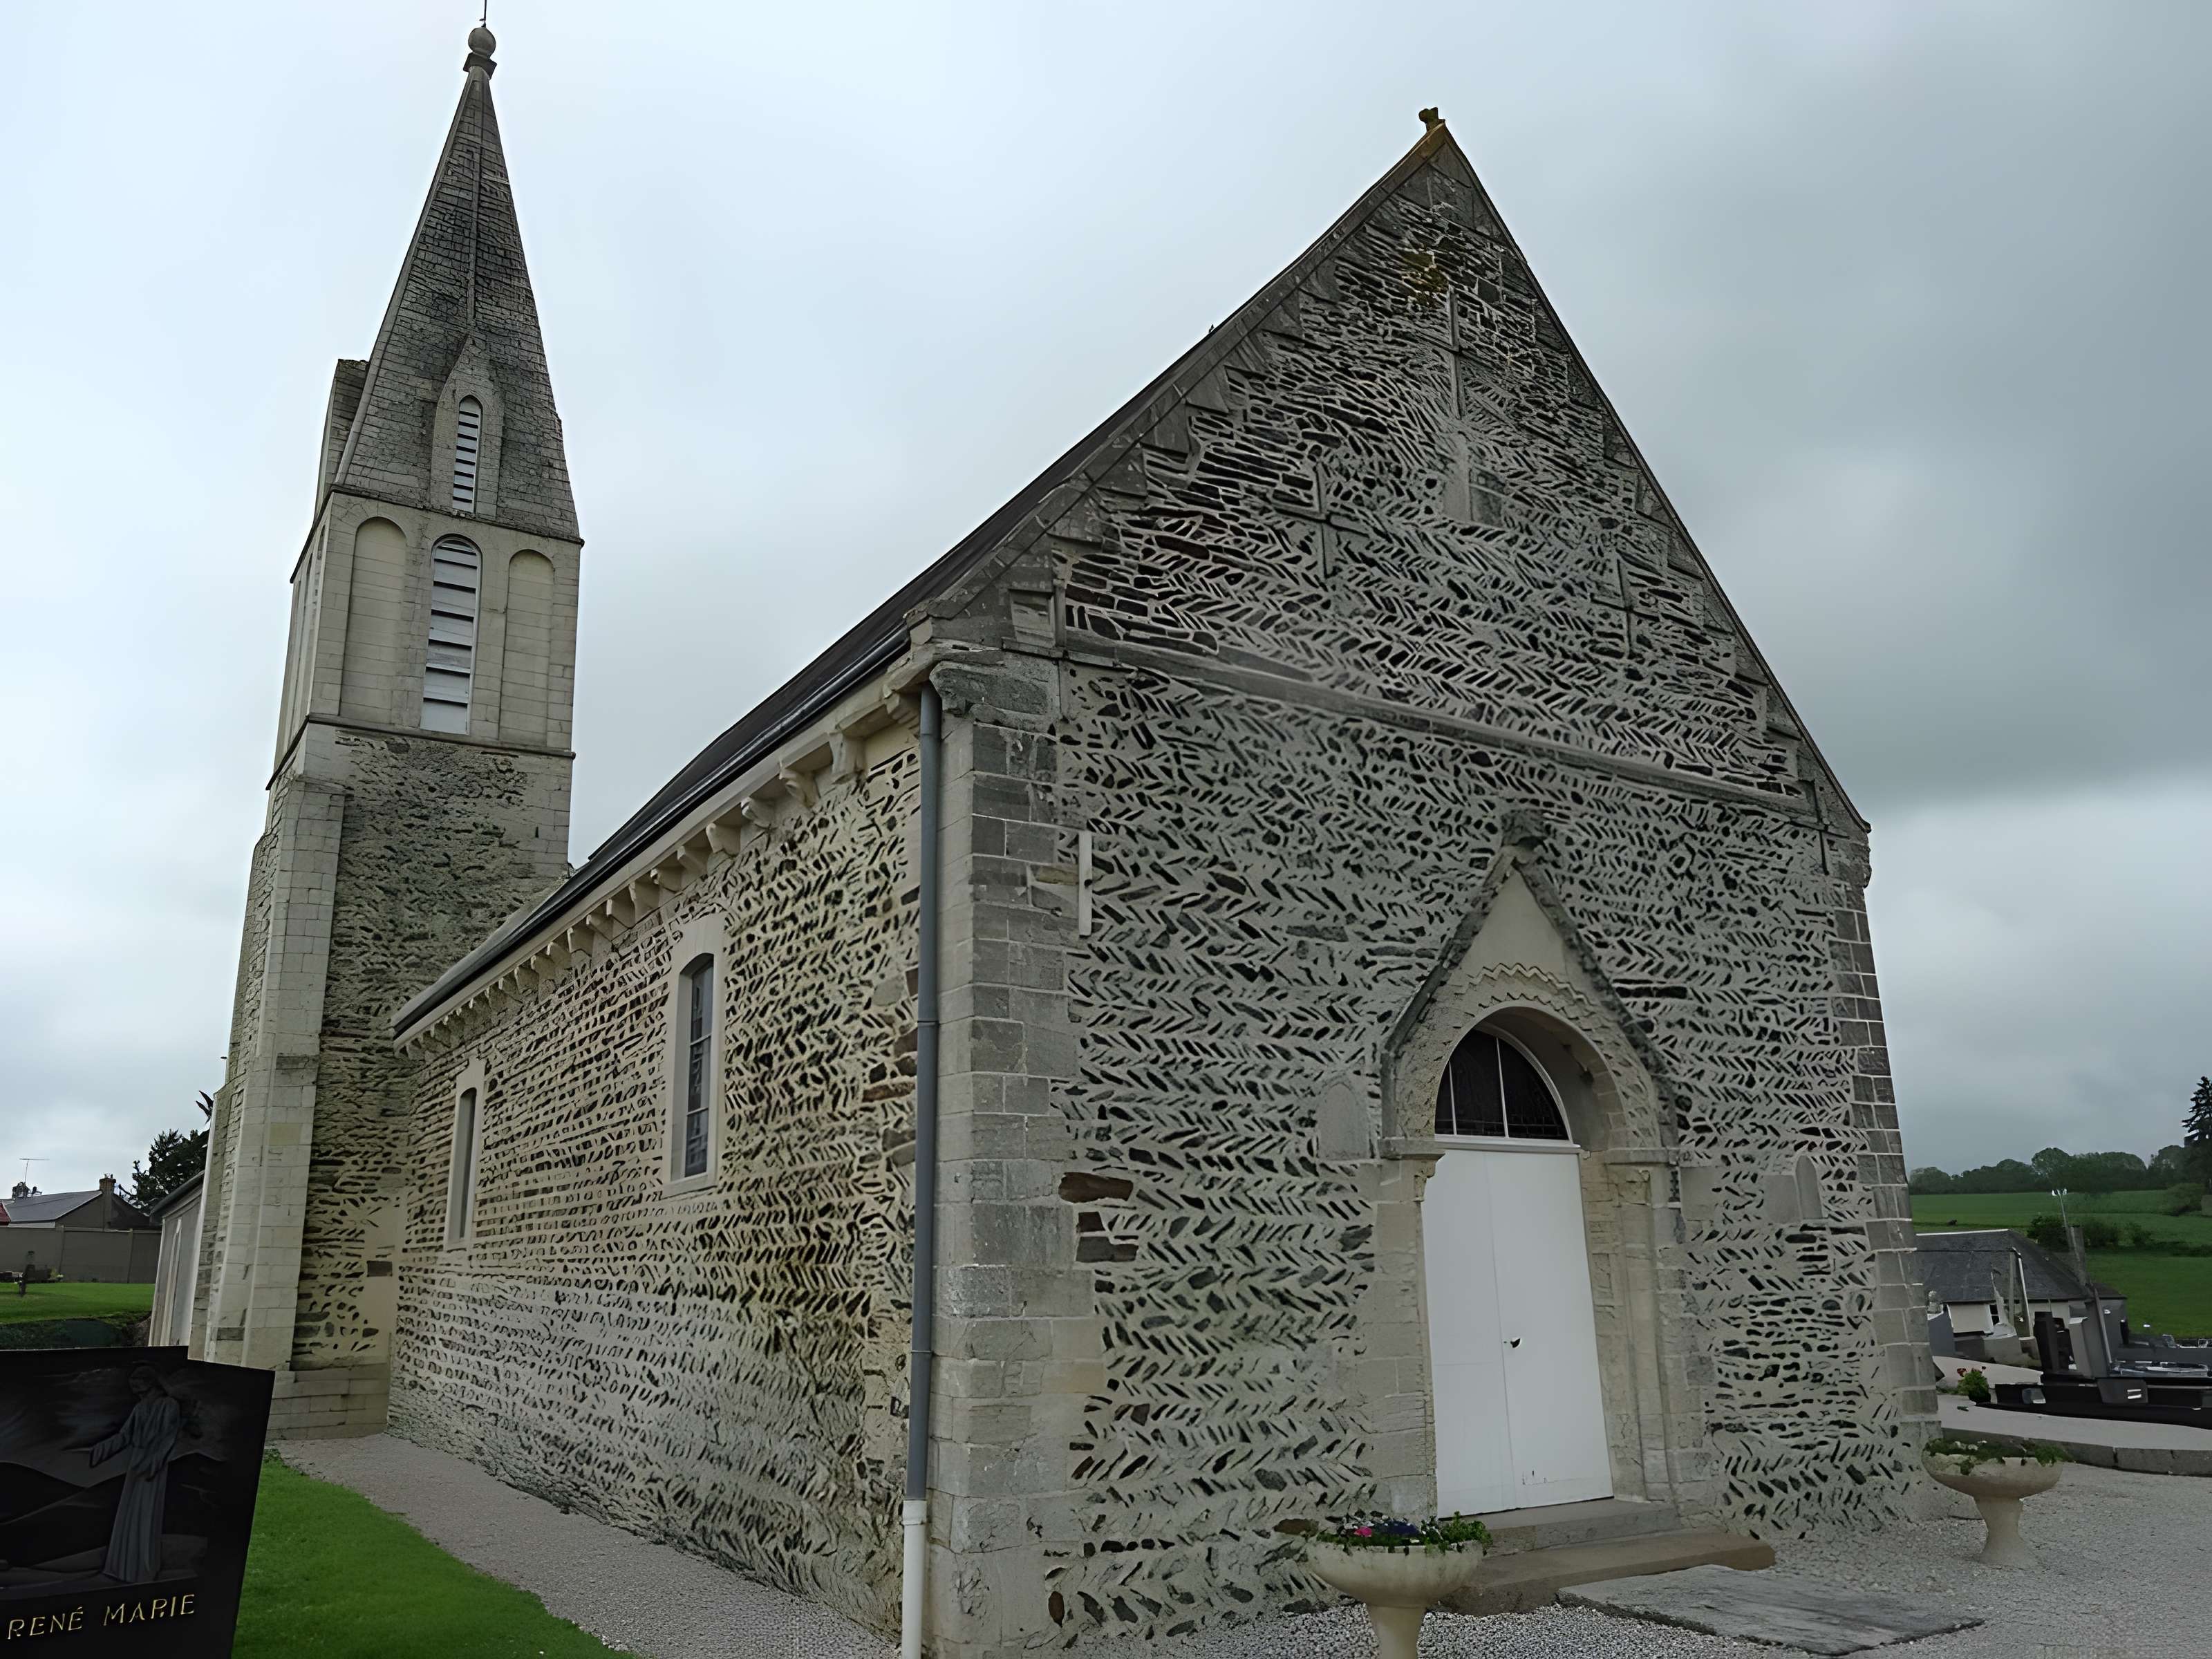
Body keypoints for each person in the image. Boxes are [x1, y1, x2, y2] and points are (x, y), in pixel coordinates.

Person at [88, 1365, 181, 1583]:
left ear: (149, 1383)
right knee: (129, 1514)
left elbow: (168, 1437)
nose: (135, 1390)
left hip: (152, 1467)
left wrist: (153, 1463)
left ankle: (142, 1569)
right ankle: (123, 1568)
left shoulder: (168, 1405)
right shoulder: (140, 1408)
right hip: (137, 1464)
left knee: (146, 1515)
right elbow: (124, 1435)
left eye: (138, 1384)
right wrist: (99, 1451)